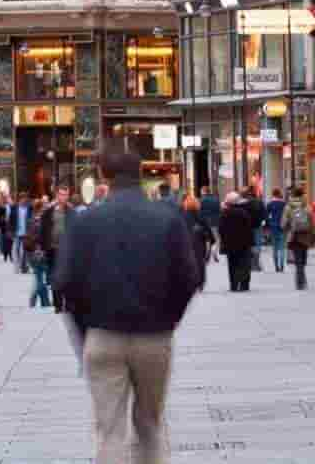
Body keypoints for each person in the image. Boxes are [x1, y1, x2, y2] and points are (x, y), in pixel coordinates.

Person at [54, 147, 203, 464]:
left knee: (109, 431)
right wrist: (168, 318)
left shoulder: (86, 221)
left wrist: (87, 326)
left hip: (104, 335)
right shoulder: (167, 219)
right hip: (153, 336)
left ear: (103, 176)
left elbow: (64, 281)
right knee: (149, 426)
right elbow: (191, 277)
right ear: (140, 173)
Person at [40, 185, 78, 313]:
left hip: (67, 250)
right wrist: (43, 247)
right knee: (55, 277)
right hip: (53, 249)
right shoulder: (49, 211)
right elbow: (43, 230)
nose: (63, 197)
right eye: (61, 194)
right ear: (57, 195)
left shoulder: (72, 211)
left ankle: (68, 304)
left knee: (68, 277)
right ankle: (57, 304)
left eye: (66, 194)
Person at [218, 191, 257, 293]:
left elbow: (220, 229)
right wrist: (251, 242)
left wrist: (223, 240)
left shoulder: (225, 214)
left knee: (232, 265)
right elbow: (249, 229)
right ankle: (244, 285)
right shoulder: (244, 213)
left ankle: (234, 285)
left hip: (230, 244)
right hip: (244, 244)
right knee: (244, 263)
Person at [284, 188, 313, 290]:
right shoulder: (307, 207)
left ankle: (299, 282)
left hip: (293, 237)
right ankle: (302, 280)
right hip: (305, 237)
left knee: (298, 261)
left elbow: (283, 224)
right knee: (302, 261)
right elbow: (311, 222)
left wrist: (288, 228)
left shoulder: (288, 207)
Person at [26, 198, 53, 308]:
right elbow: (36, 237)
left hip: (35, 252)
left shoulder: (32, 219)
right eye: (44, 207)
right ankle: (35, 299)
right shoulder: (38, 221)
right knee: (40, 278)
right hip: (38, 253)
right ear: (40, 209)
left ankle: (44, 302)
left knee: (39, 277)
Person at [182, 195, 214, 285]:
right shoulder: (201, 216)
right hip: (200, 243)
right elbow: (208, 230)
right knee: (200, 262)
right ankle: (200, 281)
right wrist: (211, 240)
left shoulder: (182, 216)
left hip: (187, 243)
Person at [265, 188, 288, 273]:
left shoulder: (270, 204)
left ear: (273, 194)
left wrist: (268, 225)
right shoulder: (284, 204)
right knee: (282, 247)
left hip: (273, 227)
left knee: (274, 248)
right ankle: (282, 266)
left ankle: (276, 266)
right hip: (282, 227)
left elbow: (266, 216)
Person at [197, 184, 222, 261]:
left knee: (207, 239)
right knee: (217, 238)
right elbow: (219, 210)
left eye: (201, 191)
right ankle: (215, 252)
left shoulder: (201, 200)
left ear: (203, 192)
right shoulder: (216, 199)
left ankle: (207, 254)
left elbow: (199, 212)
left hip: (205, 222)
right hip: (215, 222)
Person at [13, 194, 33, 273]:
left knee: (24, 250)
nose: (23, 201)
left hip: (26, 232)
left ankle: (23, 267)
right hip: (17, 232)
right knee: (17, 249)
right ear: (19, 200)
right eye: (22, 199)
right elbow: (11, 220)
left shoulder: (29, 209)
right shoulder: (15, 208)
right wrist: (11, 230)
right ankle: (17, 265)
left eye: (25, 199)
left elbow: (31, 219)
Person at [0, 196, 15, 266]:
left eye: (10, 200)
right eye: (7, 200)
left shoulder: (12, 208)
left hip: (10, 227)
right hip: (3, 227)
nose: (9, 201)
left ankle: (10, 254)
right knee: (5, 242)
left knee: (10, 242)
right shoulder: (1, 208)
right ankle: (5, 255)